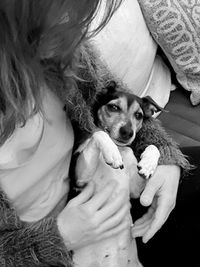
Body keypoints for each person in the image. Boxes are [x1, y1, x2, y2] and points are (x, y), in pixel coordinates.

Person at [0, 0, 190, 266]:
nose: (75, 29)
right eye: (58, 15)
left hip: (110, 201)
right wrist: (59, 237)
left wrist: (165, 159)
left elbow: (122, 103)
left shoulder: (65, 49)